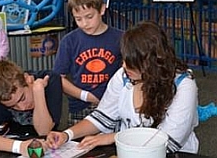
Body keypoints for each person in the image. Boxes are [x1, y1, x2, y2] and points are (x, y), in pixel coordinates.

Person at [47, 21, 199, 154]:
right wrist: (67, 134)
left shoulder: (184, 86)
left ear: (151, 63)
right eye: (125, 60)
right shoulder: (124, 75)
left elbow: (168, 142)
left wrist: (115, 137)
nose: (124, 66)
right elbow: (102, 117)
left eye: (131, 63)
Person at [53, 0, 123, 126]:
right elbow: (58, 78)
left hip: (114, 105)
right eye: (78, 19)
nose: (84, 23)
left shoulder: (120, 39)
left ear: (102, 9)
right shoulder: (69, 41)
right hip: (80, 106)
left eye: (89, 17)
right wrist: (85, 96)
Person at [0, 59, 63, 156]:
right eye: (13, 106)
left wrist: (38, 91)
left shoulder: (49, 80)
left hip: (49, 146)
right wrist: (19, 147)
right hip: (17, 147)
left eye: (22, 98)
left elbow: (43, 131)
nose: (22, 108)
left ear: (27, 79)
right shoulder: (1, 94)